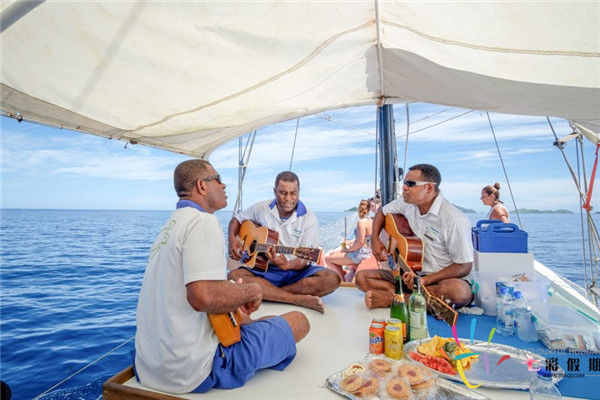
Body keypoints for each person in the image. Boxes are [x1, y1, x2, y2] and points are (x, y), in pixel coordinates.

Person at [134, 160, 310, 394]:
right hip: (192, 370)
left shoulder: (169, 227)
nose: (224, 184)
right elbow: (202, 297)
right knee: (299, 321)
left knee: (249, 320)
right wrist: (250, 291)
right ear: (202, 186)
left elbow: (193, 293)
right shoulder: (203, 221)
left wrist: (234, 297)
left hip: (149, 367)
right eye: (217, 178)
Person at [355, 164, 473, 310]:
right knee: (361, 278)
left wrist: (426, 280)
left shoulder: (453, 220)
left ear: (429, 188)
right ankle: (417, 301)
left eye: (410, 184)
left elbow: (464, 266)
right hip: (409, 275)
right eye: (404, 183)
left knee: (459, 293)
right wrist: (375, 239)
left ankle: (395, 299)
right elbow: (381, 212)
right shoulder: (407, 204)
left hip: (439, 280)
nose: (404, 188)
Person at [228, 171, 340, 313]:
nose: (288, 198)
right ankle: (296, 299)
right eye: (283, 193)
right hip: (265, 270)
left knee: (331, 279)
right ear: (274, 191)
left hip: (295, 272)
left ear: (299, 191)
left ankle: (269, 293)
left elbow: (305, 259)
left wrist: (287, 265)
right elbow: (236, 220)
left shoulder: (308, 218)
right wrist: (232, 239)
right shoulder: (261, 208)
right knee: (234, 276)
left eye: (293, 193)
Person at [325, 199, 372, 282]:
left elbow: (360, 243)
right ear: (369, 209)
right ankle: (343, 275)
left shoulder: (361, 222)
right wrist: (349, 243)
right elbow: (364, 240)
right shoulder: (371, 221)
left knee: (328, 259)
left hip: (360, 254)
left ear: (359, 209)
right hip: (367, 251)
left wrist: (347, 250)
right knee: (335, 253)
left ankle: (342, 283)